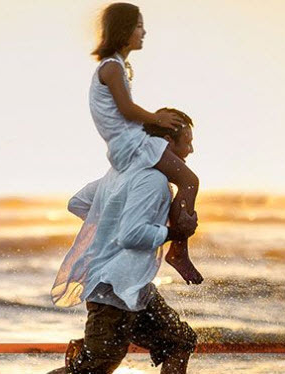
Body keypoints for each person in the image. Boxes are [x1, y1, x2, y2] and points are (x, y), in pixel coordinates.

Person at [49, 119, 200, 374]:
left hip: (134, 289)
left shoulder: (120, 175)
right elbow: (132, 235)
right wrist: (175, 232)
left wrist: (111, 226)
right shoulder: (153, 181)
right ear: (166, 144)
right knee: (94, 368)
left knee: (180, 341)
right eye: (187, 143)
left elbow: (77, 203)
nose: (191, 151)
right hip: (114, 289)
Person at [88, 2, 202, 284]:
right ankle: (178, 250)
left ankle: (174, 244)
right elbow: (126, 110)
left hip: (128, 142)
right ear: (124, 30)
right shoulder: (112, 68)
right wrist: (157, 119)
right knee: (189, 181)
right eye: (139, 26)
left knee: (184, 181)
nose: (144, 32)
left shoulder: (119, 66)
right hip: (131, 145)